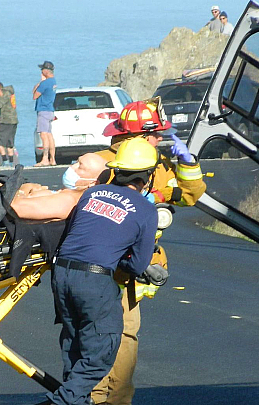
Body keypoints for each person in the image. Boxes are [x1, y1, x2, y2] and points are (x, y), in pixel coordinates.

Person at [91, 98, 206, 405]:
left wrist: (188, 164)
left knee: (119, 336)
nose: (161, 140)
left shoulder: (162, 168)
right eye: (156, 135)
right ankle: (105, 399)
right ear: (139, 136)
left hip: (133, 267)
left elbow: (189, 197)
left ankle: (108, 399)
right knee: (113, 337)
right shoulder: (102, 163)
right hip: (109, 265)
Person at [43, 138, 160, 405]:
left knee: (74, 346)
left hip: (61, 273)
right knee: (100, 355)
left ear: (116, 170)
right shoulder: (145, 209)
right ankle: (60, 402)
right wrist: (122, 262)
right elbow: (138, 265)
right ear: (146, 175)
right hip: (94, 281)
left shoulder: (91, 193)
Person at [33, 61, 57, 166]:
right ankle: (53, 159)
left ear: (46, 71)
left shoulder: (45, 83)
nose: (41, 71)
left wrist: (39, 83)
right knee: (49, 134)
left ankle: (45, 159)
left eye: (42, 69)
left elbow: (34, 95)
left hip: (43, 110)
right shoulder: (53, 81)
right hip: (50, 110)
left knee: (43, 135)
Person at [0, 81, 19, 167]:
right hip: (13, 120)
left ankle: (5, 160)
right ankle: (11, 161)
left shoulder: (4, 94)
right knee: (9, 142)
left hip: (6, 120)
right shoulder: (10, 92)